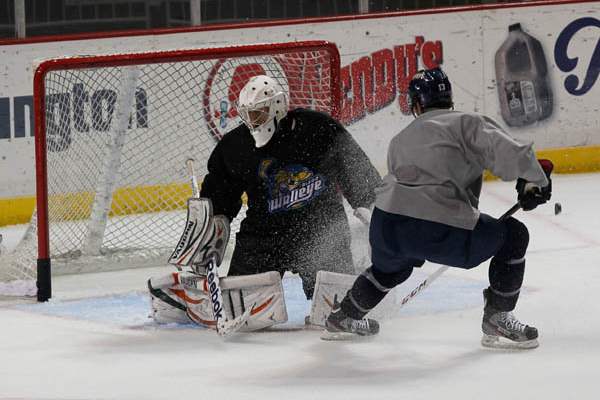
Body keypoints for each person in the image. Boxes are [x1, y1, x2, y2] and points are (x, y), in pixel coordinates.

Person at [322, 67, 552, 349]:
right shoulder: (468, 122)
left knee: (391, 268)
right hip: (438, 227)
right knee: (514, 234)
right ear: (449, 99)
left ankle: (344, 316)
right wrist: (536, 181)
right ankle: (497, 316)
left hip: (387, 223)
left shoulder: (400, 139)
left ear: (416, 104)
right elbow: (511, 154)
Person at [148, 74, 381, 331]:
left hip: (320, 232)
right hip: (265, 236)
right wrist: (211, 227)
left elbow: (357, 172)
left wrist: (372, 209)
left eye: (258, 113)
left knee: (335, 312)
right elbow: (220, 196)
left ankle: (358, 277)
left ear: (277, 106)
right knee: (242, 310)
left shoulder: (318, 129)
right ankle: (187, 301)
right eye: (247, 114)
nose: (251, 121)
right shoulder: (236, 146)